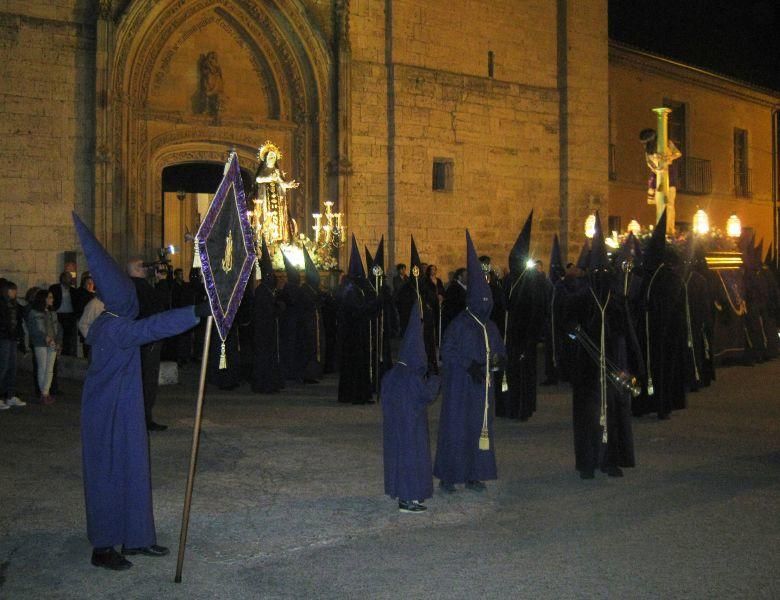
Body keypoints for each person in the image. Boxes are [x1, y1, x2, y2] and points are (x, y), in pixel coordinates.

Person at [73, 213, 208, 571]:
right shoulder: (114, 328)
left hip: (125, 408)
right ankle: (102, 547)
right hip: (107, 414)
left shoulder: (113, 322)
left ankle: (135, 536)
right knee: (107, 475)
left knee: (134, 470)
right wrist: (194, 312)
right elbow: (152, 327)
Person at [564, 213, 639, 479]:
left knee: (614, 415)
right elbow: (567, 328)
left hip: (612, 368)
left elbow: (627, 333)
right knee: (588, 417)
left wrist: (632, 366)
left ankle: (609, 460)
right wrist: (575, 338)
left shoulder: (616, 300)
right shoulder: (581, 298)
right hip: (588, 370)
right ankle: (587, 463)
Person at [434, 231, 506, 493]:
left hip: (481, 390)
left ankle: (475, 473)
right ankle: (450, 475)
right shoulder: (460, 325)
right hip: (460, 388)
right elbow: (448, 351)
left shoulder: (490, 326)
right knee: (456, 429)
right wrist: (469, 365)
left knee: (480, 429)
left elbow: (498, 350)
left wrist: (499, 361)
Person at [382, 303, 440, 512]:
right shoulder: (412, 377)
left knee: (398, 459)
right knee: (411, 460)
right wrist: (434, 379)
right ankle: (407, 499)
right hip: (411, 427)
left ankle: (404, 495)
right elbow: (427, 395)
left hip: (395, 427)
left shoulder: (393, 373)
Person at [501, 211, 547, 421]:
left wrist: (530, 340)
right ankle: (512, 407)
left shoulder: (531, 284)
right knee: (513, 374)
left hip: (524, 338)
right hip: (512, 337)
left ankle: (523, 409)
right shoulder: (511, 281)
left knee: (524, 375)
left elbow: (534, 312)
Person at [337, 235, 378, 404]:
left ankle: (350, 394)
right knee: (355, 365)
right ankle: (356, 395)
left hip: (353, 335)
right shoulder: (351, 291)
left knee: (352, 365)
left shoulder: (351, 289)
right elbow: (356, 311)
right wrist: (373, 305)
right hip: (353, 336)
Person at [128, 259, 169, 431]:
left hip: (137, 339)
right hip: (147, 339)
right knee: (148, 380)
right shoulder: (140, 287)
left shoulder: (129, 286)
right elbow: (160, 305)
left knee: (141, 380)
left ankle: (140, 418)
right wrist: (162, 282)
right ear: (138, 270)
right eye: (144, 267)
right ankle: (144, 419)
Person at [252, 238, 284, 394]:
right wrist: (278, 308)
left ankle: (270, 382)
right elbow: (268, 311)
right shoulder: (262, 292)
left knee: (268, 357)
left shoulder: (267, 291)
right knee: (263, 358)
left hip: (267, 332)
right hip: (263, 332)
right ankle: (263, 384)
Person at [253, 141, 300, 245]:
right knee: (267, 218)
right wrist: (269, 178)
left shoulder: (277, 171)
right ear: (265, 158)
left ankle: (278, 239)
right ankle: (265, 239)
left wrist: (289, 185)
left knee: (278, 219)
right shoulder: (264, 170)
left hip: (277, 201)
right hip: (266, 199)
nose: (272, 158)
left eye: (274, 157)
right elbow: (258, 179)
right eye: (270, 156)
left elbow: (281, 183)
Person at [26, 289, 61, 404]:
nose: (52, 299)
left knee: (50, 369)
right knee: (43, 367)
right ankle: (44, 393)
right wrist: (46, 338)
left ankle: (45, 392)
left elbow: (58, 329)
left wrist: (58, 341)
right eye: (50, 297)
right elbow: (34, 330)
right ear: (43, 299)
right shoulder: (34, 313)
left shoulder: (52, 313)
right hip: (41, 343)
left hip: (52, 342)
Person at [0, 280, 26, 409]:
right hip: (4, 338)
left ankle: (10, 395)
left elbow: (18, 320)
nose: (15, 293)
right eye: (12, 290)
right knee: (3, 367)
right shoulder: (2, 305)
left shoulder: (14, 306)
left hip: (12, 338)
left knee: (12, 367)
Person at [49, 271, 78, 356]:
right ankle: (56, 352)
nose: (70, 280)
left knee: (68, 337)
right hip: (58, 314)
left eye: (70, 278)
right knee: (57, 334)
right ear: (62, 279)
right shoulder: (55, 288)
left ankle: (66, 354)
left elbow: (76, 303)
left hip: (69, 315)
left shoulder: (73, 290)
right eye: (68, 278)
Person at [441, 267, 467, 334]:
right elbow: (453, 305)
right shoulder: (454, 287)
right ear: (460, 277)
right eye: (466, 275)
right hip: (454, 319)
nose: (468, 277)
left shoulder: (465, 287)